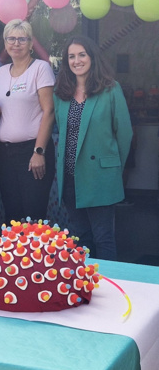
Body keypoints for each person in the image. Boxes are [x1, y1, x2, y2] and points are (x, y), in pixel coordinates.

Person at [54, 36, 132, 261]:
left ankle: (108, 290)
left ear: (92, 57)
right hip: (70, 178)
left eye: (81, 55)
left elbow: (124, 134)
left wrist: (112, 167)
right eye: (71, 56)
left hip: (100, 176)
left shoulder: (110, 89)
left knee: (103, 238)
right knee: (81, 238)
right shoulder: (62, 93)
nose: (76, 61)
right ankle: (85, 286)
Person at [0, 19, 56, 222]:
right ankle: (16, 254)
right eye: (11, 38)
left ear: (31, 44)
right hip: (5, 154)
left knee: (33, 216)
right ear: (5, 43)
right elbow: (6, 109)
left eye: (22, 39)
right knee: (12, 215)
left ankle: (35, 254)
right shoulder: (1, 72)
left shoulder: (40, 68)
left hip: (32, 152)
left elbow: (49, 111)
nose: (16, 43)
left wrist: (39, 151)